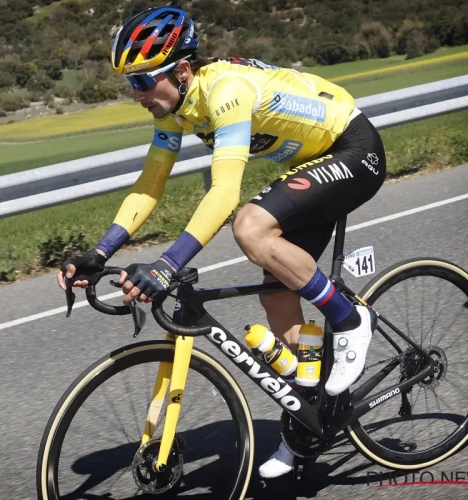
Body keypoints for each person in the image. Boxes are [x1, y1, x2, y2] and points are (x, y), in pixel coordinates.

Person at [57, 5, 385, 478]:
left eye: (142, 82)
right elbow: (151, 183)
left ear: (183, 70)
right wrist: (101, 250)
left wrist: (168, 265)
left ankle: (350, 318)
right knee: (277, 297)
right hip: (312, 166)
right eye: (130, 84)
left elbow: (226, 190)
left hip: (353, 150)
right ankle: (312, 419)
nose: (137, 95)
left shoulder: (226, 90)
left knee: (250, 226)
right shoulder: (176, 110)